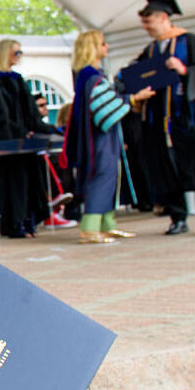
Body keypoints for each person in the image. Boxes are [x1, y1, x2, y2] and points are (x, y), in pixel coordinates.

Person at [126, 0, 195, 235]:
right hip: (161, 120)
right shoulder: (151, 49)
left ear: (164, 18)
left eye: (148, 22)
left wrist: (184, 70)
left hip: (191, 117)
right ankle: (178, 218)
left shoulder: (192, 42)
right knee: (167, 168)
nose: (146, 28)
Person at [67, 31, 135, 243]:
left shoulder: (90, 74)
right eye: (103, 44)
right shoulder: (91, 76)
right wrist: (131, 99)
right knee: (102, 174)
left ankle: (107, 223)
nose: (107, 48)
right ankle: (89, 227)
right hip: (98, 137)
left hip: (103, 136)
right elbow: (102, 111)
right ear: (93, 47)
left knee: (109, 175)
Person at [0, 39, 48, 237]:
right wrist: (18, 133)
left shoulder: (18, 79)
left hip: (24, 144)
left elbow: (31, 112)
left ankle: (29, 221)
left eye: (20, 53)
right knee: (14, 185)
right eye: (16, 52)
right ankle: (15, 224)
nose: (19, 56)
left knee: (30, 183)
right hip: (9, 146)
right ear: (5, 54)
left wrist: (40, 129)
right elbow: (0, 115)